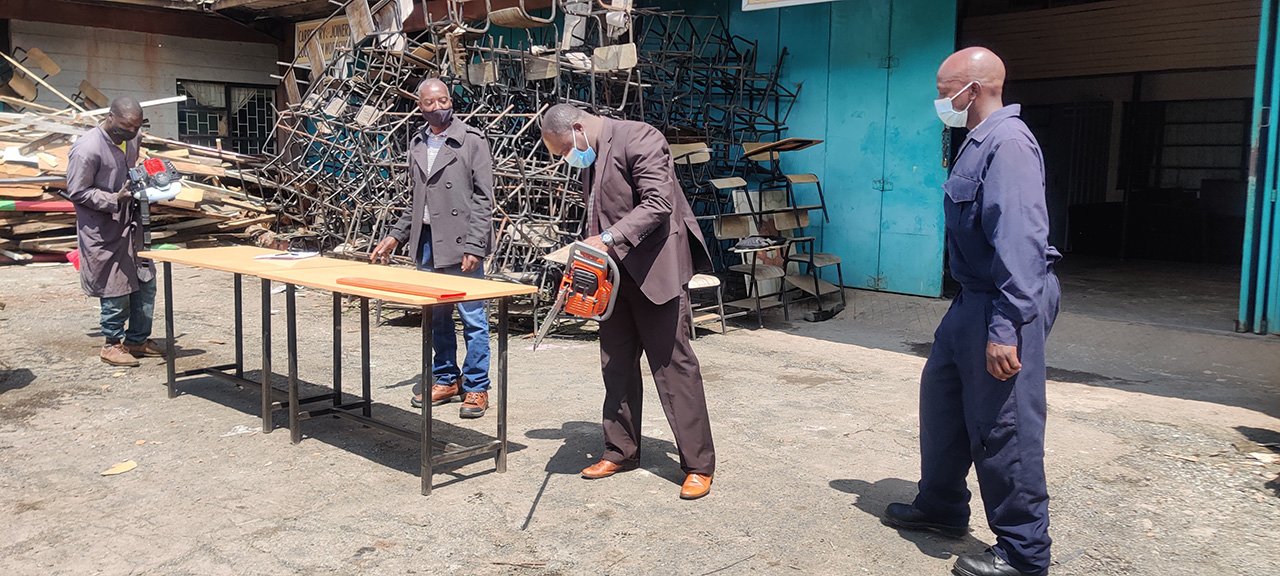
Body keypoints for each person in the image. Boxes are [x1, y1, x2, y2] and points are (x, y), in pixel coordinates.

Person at [882, 47, 1062, 576]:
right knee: (942, 398)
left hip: (1003, 301)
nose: (941, 102)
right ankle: (940, 506)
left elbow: (1023, 243)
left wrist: (1007, 327)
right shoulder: (977, 142)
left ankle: (1025, 552)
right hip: (972, 300)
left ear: (973, 89)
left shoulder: (1007, 145)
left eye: (944, 93)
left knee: (1004, 424)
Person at [539, 104, 717, 500]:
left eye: (566, 149)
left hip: (656, 271)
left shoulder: (641, 137)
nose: (568, 158)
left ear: (579, 128)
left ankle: (698, 465)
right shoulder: (591, 153)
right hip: (613, 277)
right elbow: (597, 214)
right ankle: (621, 450)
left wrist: (606, 239)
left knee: (674, 368)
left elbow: (658, 204)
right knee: (615, 364)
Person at [371, 78, 496, 418]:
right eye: (431, 103)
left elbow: (485, 199)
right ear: (420, 106)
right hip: (427, 243)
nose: (439, 107)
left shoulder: (471, 141)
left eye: (444, 100)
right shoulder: (417, 143)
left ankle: (476, 387)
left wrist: (475, 245)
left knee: (472, 318)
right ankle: (446, 378)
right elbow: (417, 200)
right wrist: (396, 234)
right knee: (436, 317)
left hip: (462, 243)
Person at [66, 96, 165, 367]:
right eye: (125, 127)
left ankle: (138, 339)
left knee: (145, 279)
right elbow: (77, 191)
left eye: (136, 128)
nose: (131, 133)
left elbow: (131, 167)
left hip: (131, 222)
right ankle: (112, 343)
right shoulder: (87, 149)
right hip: (103, 225)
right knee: (115, 286)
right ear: (110, 118)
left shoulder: (132, 136)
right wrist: (114, 198)